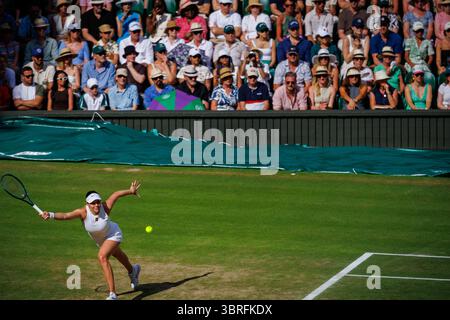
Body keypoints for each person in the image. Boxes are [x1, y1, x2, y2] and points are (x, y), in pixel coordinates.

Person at [40, 181, 142, 301]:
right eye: (93, 203)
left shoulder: (105, 207)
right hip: (101, 241)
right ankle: (133, 270)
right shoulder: (82, 212)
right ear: (87, 204)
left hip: (113, 234)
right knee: (118, 254)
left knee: (102, 257)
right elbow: (65, 216)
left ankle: (112, 294)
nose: (96, 205)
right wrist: (50, 214)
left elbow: (116, 194)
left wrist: (130, 191)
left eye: (98, 202)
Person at [404, 21, 435, 90]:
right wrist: (412, 64)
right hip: (411, 63)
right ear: (414, 32)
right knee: (411, 76)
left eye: (421, 31)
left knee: (429, 77)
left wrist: (427, 65)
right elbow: (406, 56)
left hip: (422, 64)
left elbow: (431, 57)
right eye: (417, 31)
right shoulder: (409, 41)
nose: (420, 33)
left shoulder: (427, 42)